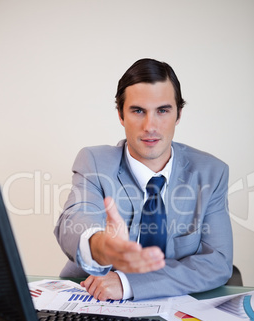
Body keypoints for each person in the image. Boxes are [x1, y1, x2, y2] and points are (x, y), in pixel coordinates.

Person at [54, 58, 233, 301]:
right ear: (120, 115)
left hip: (174, 306)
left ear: (178, 114)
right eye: (138, 111)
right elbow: (75, 219)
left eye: (163, 110)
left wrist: (128, 283)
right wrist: (103, 247)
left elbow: (217, 263)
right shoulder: (95, 162)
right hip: (94, 299)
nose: (150, 126)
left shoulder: (212, 172)